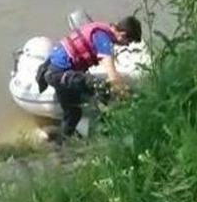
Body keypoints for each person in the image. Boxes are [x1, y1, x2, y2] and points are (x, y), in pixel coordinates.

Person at [37, 15, 142, 143]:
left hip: (57, 72)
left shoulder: (102, 30)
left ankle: (59, 146)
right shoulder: (103, 38)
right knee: (99, 86)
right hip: (59, 74)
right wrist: (125, 94)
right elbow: (112, 75)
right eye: (128, 42)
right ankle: (107, 128)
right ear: (123, 35)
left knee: (73, 113)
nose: (126, 45)